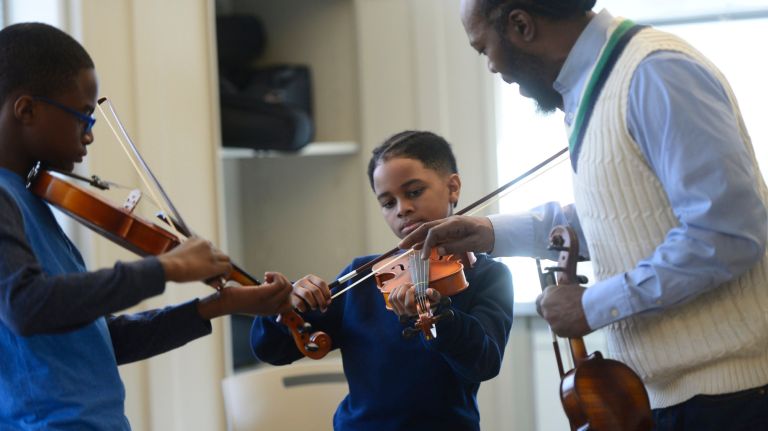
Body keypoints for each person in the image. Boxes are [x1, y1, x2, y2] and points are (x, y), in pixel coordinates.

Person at [399, 1, 768, 430]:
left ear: (521, 24)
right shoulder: (595, 87)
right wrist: (487, 231)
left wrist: (593, 305)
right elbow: (614, 219)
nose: (492, 68)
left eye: (484, 49)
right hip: (677, 399)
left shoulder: (654, 73)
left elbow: (727, 235)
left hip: (729, 401)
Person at [0, 22, 294, 429]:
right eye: (83, 116)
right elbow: (26, 307)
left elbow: (101, 342)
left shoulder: (33, 198)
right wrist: (166, 267)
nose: (89, 136)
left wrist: (217, 306)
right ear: (27, 110)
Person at [250, 131, 514, 431]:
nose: (402, 209)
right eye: (388, 203)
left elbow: (483, 363)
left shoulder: (487, 276)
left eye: (414, 192)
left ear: (452, 188)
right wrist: (287, 305)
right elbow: (272, 349)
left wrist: (439, 315)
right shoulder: (365, 277)